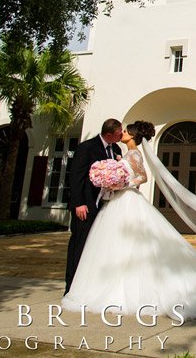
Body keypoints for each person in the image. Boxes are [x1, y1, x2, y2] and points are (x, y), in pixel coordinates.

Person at [62, 121, 196, 320]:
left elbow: (142, 177)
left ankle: (125, 288)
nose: (122, 133)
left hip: (126, 199)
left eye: (125, 131)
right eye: (121, 131)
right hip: (114, 203)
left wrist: (122, 185)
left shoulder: (133, 154)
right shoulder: (119, 152)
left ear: (131, 136)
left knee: (130, 243)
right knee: (114, 244)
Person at [64, 118, 123, 295]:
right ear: (109, 134)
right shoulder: (87, 148)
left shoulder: (116, 149)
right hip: (86, 205)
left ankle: (89, 285)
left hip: (104, 206)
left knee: (95, 247)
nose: (122, 135)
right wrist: (79, 203)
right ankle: (71, 287)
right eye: (120, 133)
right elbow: (76, 177)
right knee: (79, 245)